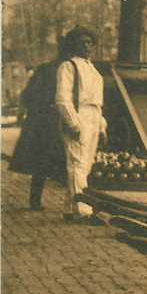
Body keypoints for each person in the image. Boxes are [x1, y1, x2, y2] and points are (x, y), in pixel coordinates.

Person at [9, 38, 72, 210]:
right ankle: (68, 202)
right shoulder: (60, 70)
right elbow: (30, 95)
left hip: (49, 120)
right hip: (50, 121)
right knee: (53, 162)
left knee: (43, 164)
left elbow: (28, 95)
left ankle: (37, 201)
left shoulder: (47, 69)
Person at [55, 26, 107, 222]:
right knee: (77, 163)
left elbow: (97, 102)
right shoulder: (68, 67)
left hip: (93, 117)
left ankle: (70, 207)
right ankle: (83, 211)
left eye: (89, 42)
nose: (86, 46)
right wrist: (74, 124)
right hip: (78, 116)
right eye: (82, 42)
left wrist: (101, 126)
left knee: (85, 165)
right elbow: (62, 99)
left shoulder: (92, 68)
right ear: (73, 44)